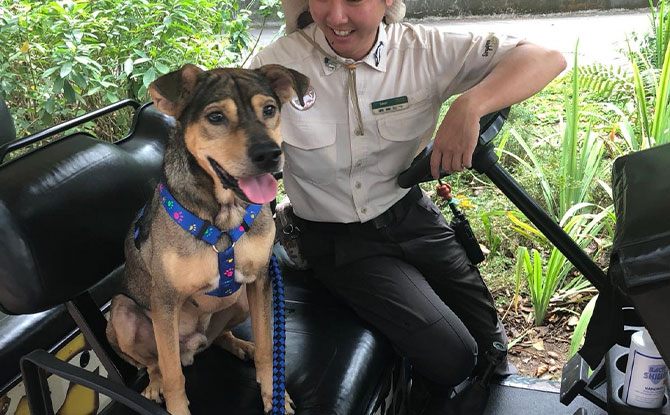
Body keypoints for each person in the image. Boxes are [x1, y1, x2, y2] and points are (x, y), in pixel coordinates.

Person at [249, 0, 566, 412]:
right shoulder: (276, 67)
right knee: (452, 357)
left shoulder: (424, 50)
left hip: (410, 212)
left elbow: (545, 58)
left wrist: (470, 104)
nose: (337, 17)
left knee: (491, 344)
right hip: (335, 239)